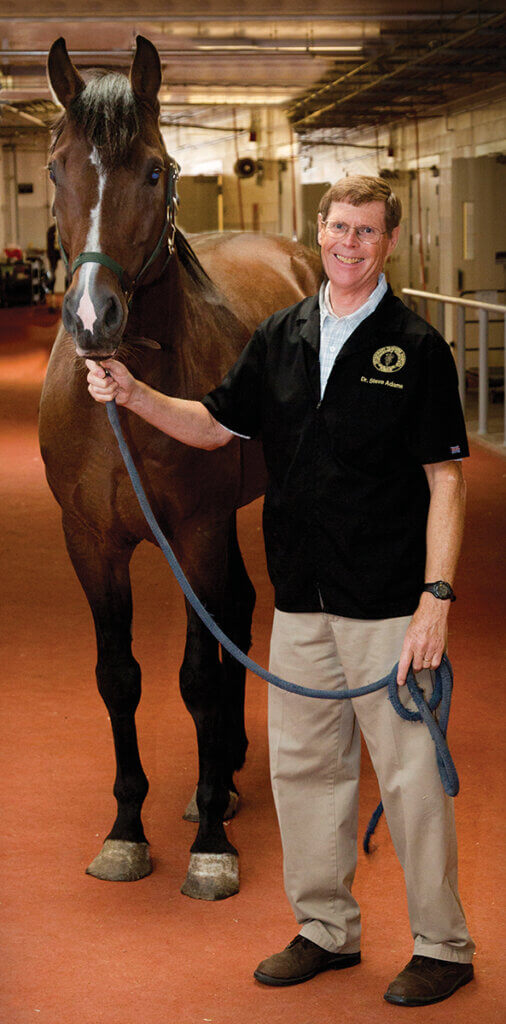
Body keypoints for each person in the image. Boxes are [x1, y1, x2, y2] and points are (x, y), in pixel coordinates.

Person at [86, 175, 475, 1007]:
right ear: (320, 230)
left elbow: (447, 481)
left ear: (389, 243)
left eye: (366, 232)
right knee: (306, 770)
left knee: (406, 776)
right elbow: (214, 424)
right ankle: (326, 929)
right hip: (300, 596)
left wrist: (435, 600)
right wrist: (131, 391)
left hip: (385, 601)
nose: (348, 244)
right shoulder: (283, 334)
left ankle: (443, 945)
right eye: (338, 228)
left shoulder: (417, 345)